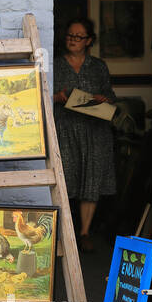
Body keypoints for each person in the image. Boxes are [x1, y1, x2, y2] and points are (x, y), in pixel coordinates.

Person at [52, 18, 116, 252]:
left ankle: (85, 232)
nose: (73, 40)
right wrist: (57, 98)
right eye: (70, 35)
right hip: (65, 130)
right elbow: (41, 95)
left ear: (89, 41)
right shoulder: (56, 64)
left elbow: (110, 96)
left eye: (78, 37)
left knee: (91, 180)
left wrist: (103, 99)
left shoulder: (98, 66)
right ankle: (65, 233)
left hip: (94, 131)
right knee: (66, 178)